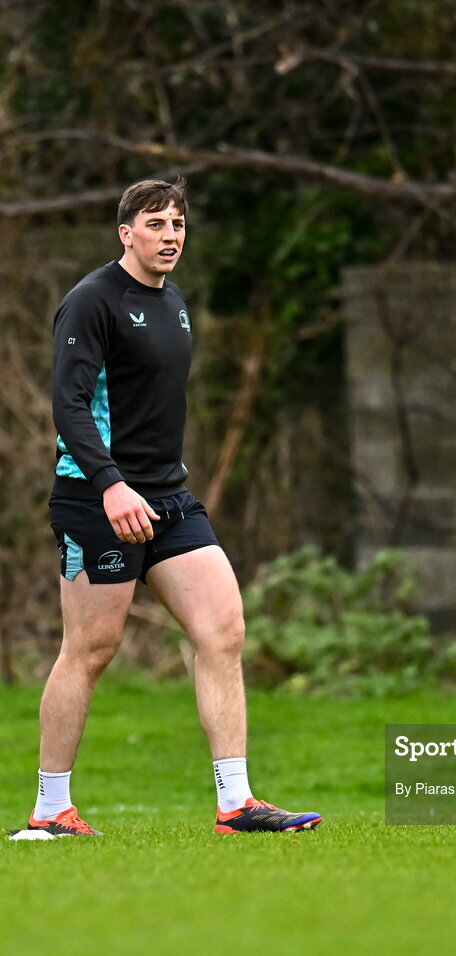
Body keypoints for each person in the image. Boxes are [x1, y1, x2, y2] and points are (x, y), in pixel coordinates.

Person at [9, 179, 322, 839]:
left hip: (170, 499)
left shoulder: (174, 301)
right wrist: (110, 484)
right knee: (92, 648)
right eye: (156, 223)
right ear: (126, 233)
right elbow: (67, 407)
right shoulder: (91, 302)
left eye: (178, 223)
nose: (171, 234)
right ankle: (49, 811)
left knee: (223, 632)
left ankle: (237, 805)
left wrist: (148, 484)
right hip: (98, 501)